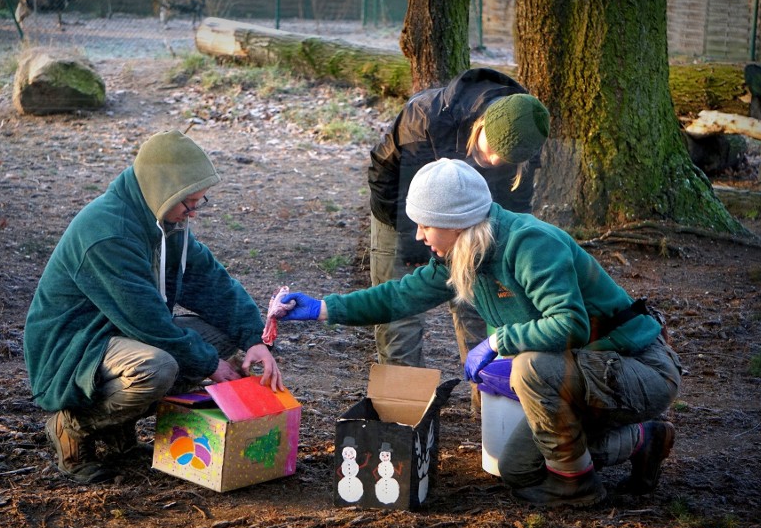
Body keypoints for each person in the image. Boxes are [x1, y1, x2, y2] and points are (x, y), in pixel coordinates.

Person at [279, 159, 682, 507]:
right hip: (586, 375)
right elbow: (399, 297)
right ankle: (644, 440)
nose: (419, 235)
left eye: (426, 224)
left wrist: (496, 341)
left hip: (637, 368)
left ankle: (577, 488)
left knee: (530, 369)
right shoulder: (461, 253)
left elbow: (570, 325)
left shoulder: (529, 244)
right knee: (518, 472)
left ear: (456, 223)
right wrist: (323, 308)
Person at [24, 130, 283, 484]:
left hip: (118, 334)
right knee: (158, 367)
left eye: (199, 201)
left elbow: (209, 281)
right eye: (188, 201)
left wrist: (254, 339)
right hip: (75, 347)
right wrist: (210, 365)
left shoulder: (165, 219)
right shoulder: (108, 233)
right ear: (162, 189)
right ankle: (71, 425)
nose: (193, 211)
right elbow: (146, 322)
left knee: (221, 338)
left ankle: (119, 434)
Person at [368, 67, 550, 413]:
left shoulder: (527, 130)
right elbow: (385, 178)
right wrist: (415, 244)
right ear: (480, 125)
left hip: (473, 223)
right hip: (401, 213)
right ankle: (401, 416)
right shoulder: (424, 119)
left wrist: (496, 261)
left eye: (506, 161)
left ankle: (492, 412)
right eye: (490, 151)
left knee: (481, 309)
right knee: (400, 314)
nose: (494, 162)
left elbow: (515, 207)